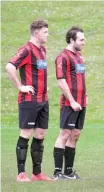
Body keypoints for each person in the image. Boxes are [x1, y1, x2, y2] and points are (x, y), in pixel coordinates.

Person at [6, 20, 54, 182]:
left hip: (43, 100)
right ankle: (21, 174)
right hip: (29, 100)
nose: (48, 34)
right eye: (45, 32)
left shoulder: (43, 50)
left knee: (40, 134)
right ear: (36, 33)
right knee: (26, 134)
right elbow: (10, 67)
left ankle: (37, 173)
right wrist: (21, 87)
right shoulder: (26, 49)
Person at [52, 27, 87, 180]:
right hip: (69, 103)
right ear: (72, 40)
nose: (84, 42)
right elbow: (61, 81)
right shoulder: (63, 57)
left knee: (76, 134)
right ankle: (57, 172)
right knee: (65, 134)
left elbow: (80, 79)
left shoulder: (79, 57)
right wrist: (72, 100)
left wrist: (84, 97)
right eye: (81, 39)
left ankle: (68, 171)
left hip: (81, 102)